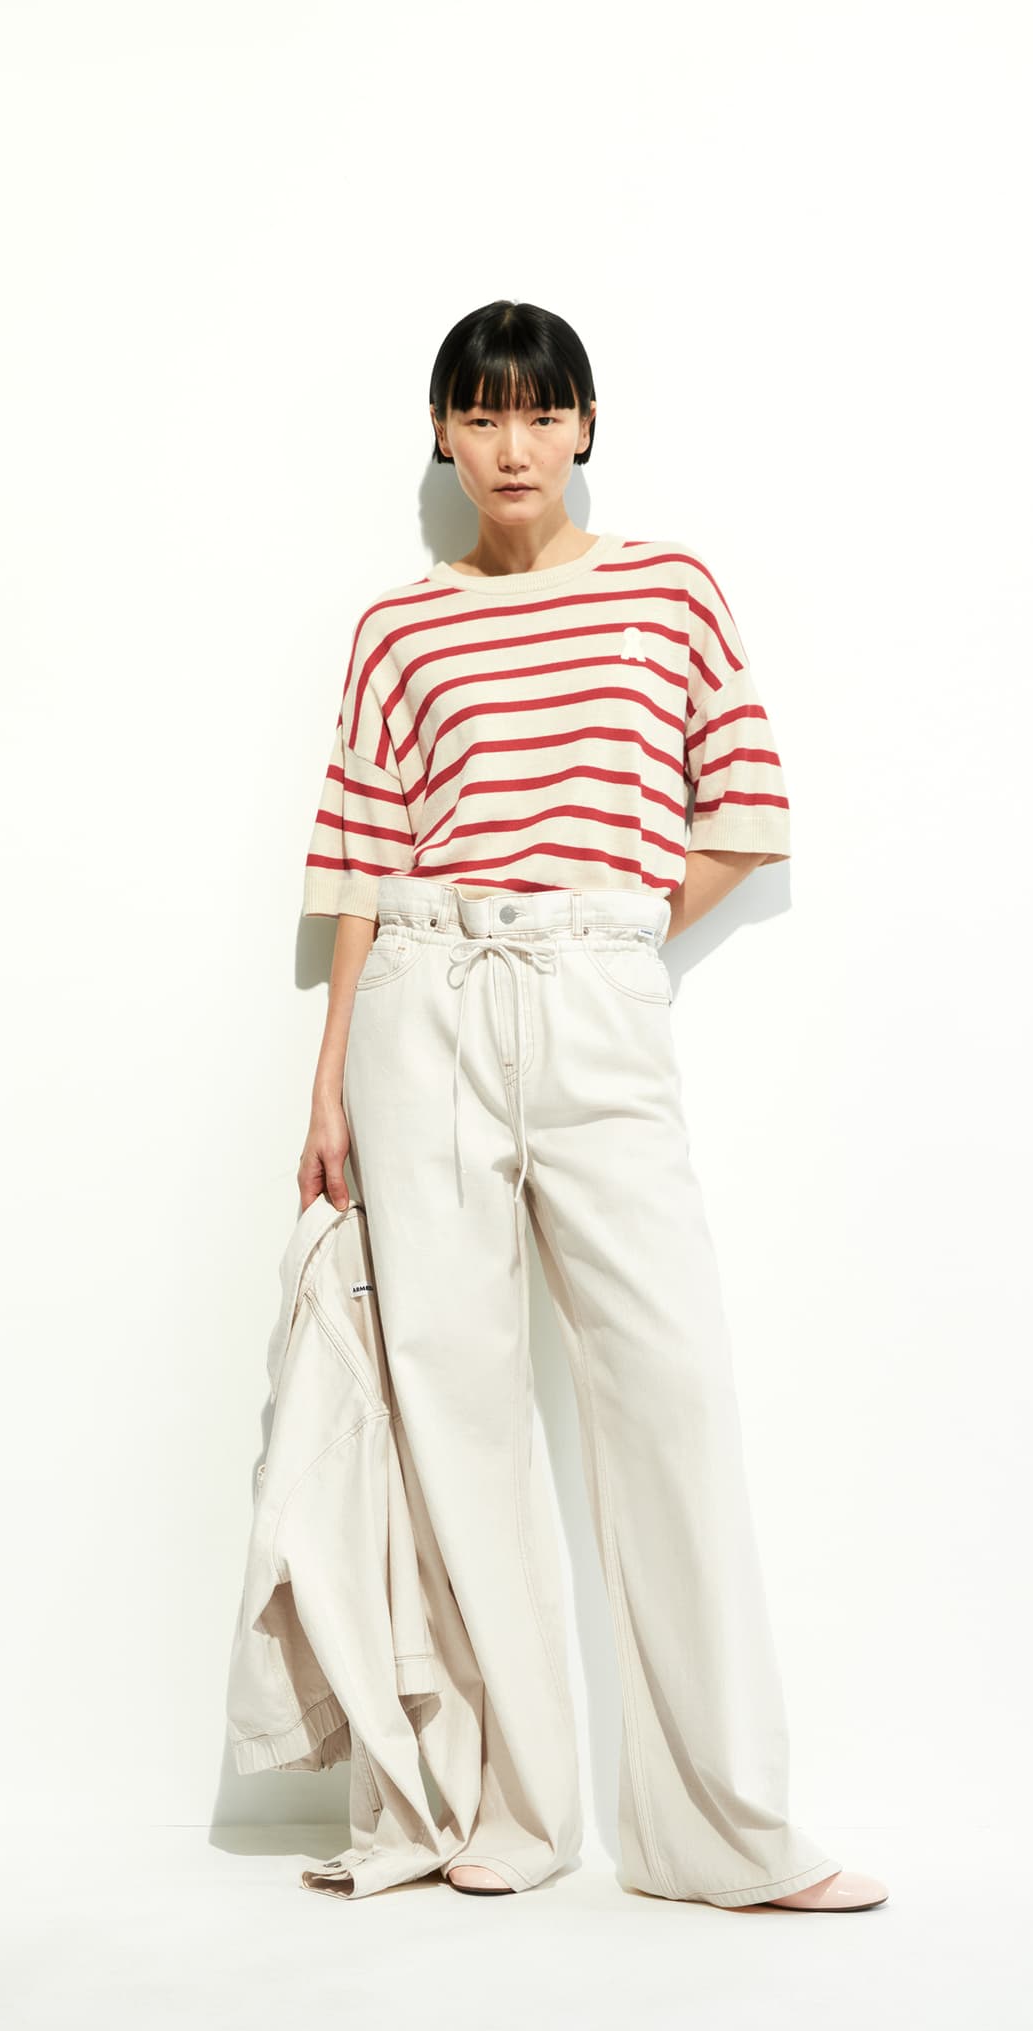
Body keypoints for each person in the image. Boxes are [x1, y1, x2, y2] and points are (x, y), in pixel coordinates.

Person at [295, 300, 888, 1914]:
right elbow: (362, 855)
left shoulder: (665, 589)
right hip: (421, 1007)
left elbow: (744, 808)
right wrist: (332, 1078)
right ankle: (517, 1809)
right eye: (479, 416)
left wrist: (607, 941)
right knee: (458, 1407)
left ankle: (727, 1832)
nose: (511, 446)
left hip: (592, 1005)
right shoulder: (398, 626)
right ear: (440, 434)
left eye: (539, 414)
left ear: (586, 424)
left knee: (670, 1393)